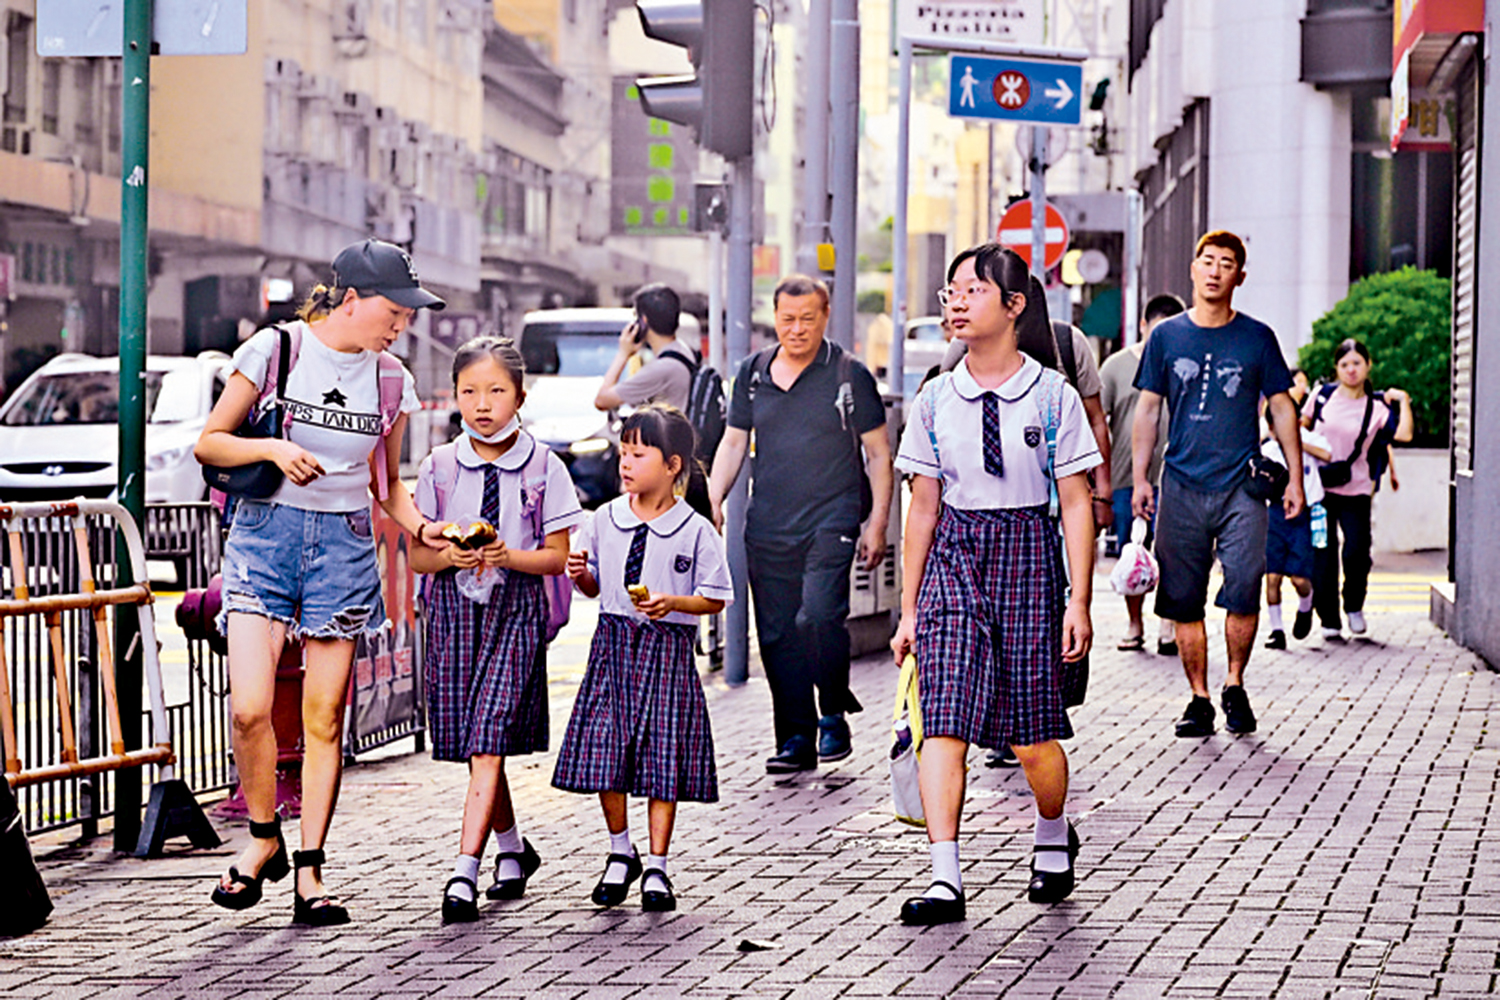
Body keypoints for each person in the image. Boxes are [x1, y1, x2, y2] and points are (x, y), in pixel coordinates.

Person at [197, 238, 446, 925]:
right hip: (264, 539)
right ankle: (260, 838)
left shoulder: (391, 378)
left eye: (407, 314)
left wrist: (423, 527)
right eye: (394, 310)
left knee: (323, 717)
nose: (401, 325)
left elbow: (387, 485)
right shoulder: (277, 351)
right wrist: (274, 446)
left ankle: (310, 869)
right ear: (352, 298)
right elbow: (210, 441)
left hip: (344, 547)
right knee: (249, 707)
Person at [891, 243, 1099, 925]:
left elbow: (1074, 502)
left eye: (974, 290)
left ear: (1014, 306)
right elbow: (922, 505)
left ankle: (1050, 831)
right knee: (944, 721)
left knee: (1030, 733)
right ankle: (946, 879)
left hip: (1027, 557)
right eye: (952, 290)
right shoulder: (933, 400)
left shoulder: (1052, 394)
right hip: (955, 553)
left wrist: (1080, 600)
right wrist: (909, 610)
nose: (956, 301)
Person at [412, 337, 583, 924]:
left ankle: (464, 871)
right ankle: (512, 849)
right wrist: (448, 556)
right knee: (471, 742)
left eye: (496, 391)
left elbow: (558, 556)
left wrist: (508, 556)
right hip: (454, 609)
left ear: (519, 396)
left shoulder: (544, 465)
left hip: (516, 609)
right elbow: (416, 557)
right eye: (469, 392)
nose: (481, 404)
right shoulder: (438, 465)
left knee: (487, 739)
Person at [707, 275, 894, 773]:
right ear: (775, 317)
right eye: (787, 319)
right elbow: (733, 443)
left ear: (825, 316)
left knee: (816, 616)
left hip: (831, 516)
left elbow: (878, 454)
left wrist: (876, 522)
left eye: (807, 319)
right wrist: (714, 496)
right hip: (767, 519)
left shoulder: (848, 374)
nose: (796, 329)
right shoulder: (751, 373)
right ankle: (795, 737)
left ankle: (832, 709)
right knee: (775, 635)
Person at [554, 404, 733, 912]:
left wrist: (673, 603)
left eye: (639, 453)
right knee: (604, 751)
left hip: (667, 651)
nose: (626, 464)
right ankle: (619, 849)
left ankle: (657, 864)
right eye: (623, 453)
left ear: (673, 465)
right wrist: (579, 573)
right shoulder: (603, 519)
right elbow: (593, 587)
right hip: (612, 645)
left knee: (662, 755)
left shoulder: (695, 529)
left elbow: (716, 597)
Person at [1132, 230, 1306, 739]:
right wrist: (1140, 478)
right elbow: (1147, 409)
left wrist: (1295, 477)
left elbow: (1281, 406)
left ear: (1239, 276)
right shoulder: (1166, 337)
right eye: (1206, 261)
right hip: (1181, 484)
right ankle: (1199, 698)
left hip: (1242, 487)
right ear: (1192, 268)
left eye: (1225, 264)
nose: (1214, 271)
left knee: (1245, 587)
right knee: (1183, 596)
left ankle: (1233, 684)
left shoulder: (1256, 337)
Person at [1303, 339, 1414, 639]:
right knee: (1321, 552)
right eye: (1344, 365)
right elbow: (1298, 427)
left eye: (1357, 363)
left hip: (1358, 491)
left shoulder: (1377, 406)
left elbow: (1403, 434)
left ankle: (1353, 605)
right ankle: (1328, 619)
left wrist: (1403, 401)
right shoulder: (1322, 396)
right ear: (1336, 369)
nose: (1351, 370)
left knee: (1356, 552)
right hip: (1319, 493)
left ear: (1368, 365)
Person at [1099, 293, 1184, 654]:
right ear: (1143, 326)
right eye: (1157, 329)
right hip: (1124, 479)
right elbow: (1097, 422)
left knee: (1174, 554)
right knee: (1133, 553)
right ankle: (1135, 624)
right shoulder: (1115, 367)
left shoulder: (1185, 364)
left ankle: (1168, 624)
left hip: (1176, 477)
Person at [1261, 398, 1330, 649]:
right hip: (1277, 515)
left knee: (1300, 579)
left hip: (1306, 514)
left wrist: (1296, 442)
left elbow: (1327, 454)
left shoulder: (1310, 441)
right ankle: (1276, 630)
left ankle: (1306, 605)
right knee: (1272, 578)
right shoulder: (1268, 450)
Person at [593, 283, 694, 414]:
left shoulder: (662, 368)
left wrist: (623, 354)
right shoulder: (684, 351)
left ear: (643, 321)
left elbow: (602, 400)